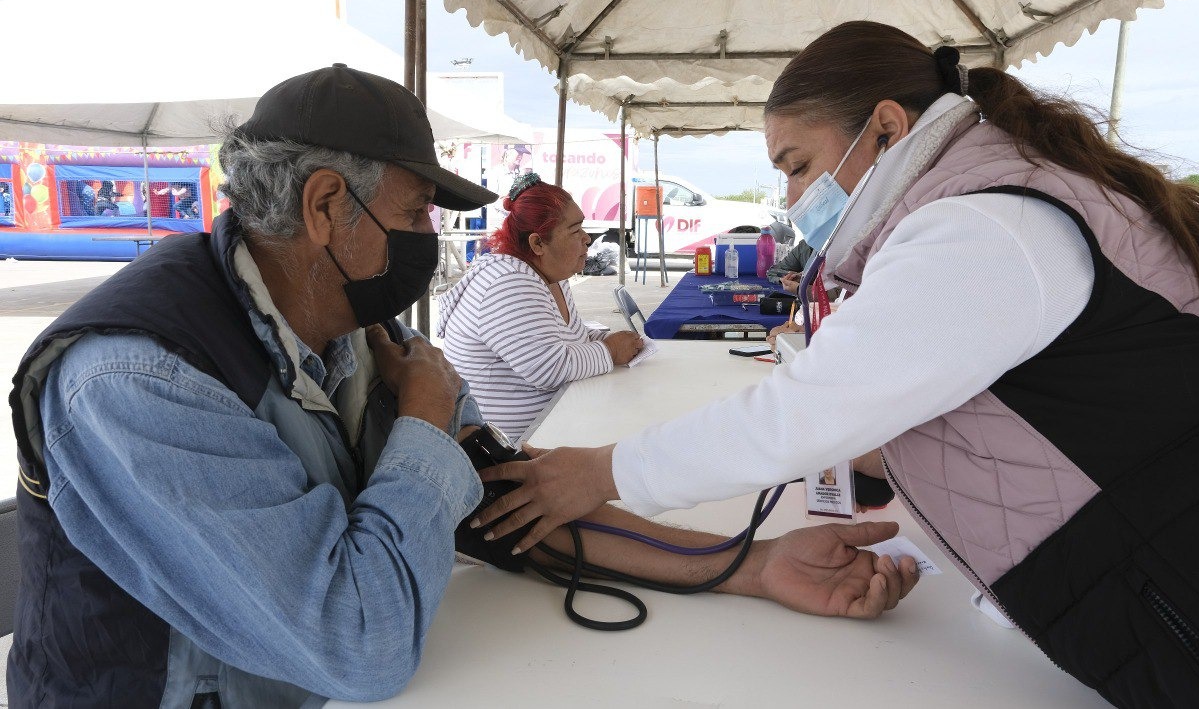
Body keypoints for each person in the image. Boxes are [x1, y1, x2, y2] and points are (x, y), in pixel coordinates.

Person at [8, 64, 918, 707]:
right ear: (327, 207)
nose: (427, 243)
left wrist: (752, 565)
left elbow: (510, 500)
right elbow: (358, 642)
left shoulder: (356, 329)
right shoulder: (137, 381)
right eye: (412, 215)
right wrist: (425, 428)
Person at [470, 21, 1199, 709]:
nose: (790, 199)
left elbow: (803, 411)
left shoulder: (984, 229)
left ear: (888, 127)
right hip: (1185, 562)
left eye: (795, 165)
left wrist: (601, 473)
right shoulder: (1003, 196)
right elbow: (1047, 406)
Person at [438, 173, 645, 440]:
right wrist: (611, 349)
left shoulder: (549, 276)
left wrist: (606, 339)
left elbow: (571, 337)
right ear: (537, 243)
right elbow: (550, 368)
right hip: (513, 449)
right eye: (575, 231)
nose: (587, 239)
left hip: (553, 428)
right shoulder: (508, 283)